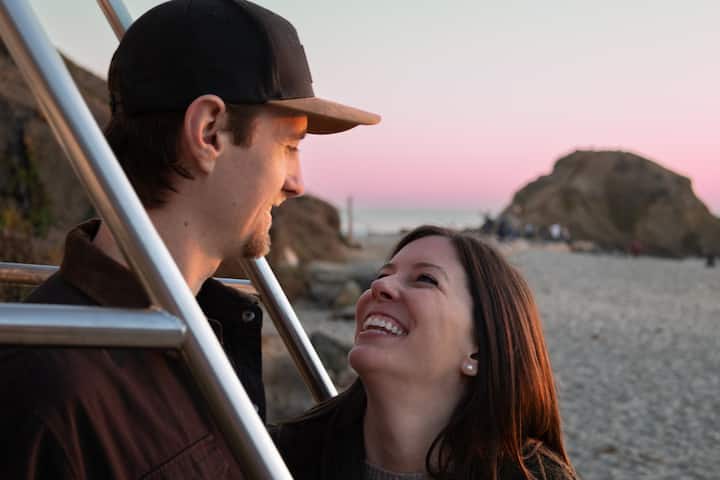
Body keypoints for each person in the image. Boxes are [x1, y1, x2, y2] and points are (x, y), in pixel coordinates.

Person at [0, 0, 379, 478]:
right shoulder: (44, 394)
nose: (297, 183)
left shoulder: (206, 326)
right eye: (289, 146)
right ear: (209, 132)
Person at [273, 226, 578, 480]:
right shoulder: (274, 459)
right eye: (382, 275)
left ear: (478, 353)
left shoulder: (535, 475)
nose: (381, 286)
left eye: (425, 279)